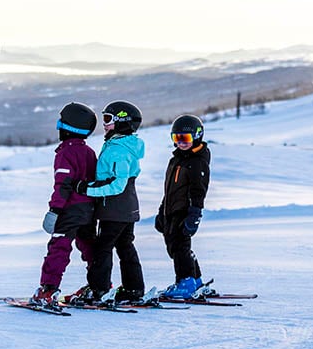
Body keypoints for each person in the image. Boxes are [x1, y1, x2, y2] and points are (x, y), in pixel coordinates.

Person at [69, 100, 146, 305]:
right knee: (125, 246)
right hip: (125, 208)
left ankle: (99, 289)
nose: (104, 124)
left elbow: (116, 184)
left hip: (115, 209)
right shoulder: (119, 145)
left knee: (102, 249)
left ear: (122, 122)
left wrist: (86, 188)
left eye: (108, 119)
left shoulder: (119, 150)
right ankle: (134, 288)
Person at [29, 102, 100, 307]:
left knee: (59, 246)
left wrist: (54, 210)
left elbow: (63, 185)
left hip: (69, 209)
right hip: (89, 209)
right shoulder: (89, 152)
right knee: (89, 246)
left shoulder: (66, 153)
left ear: (68, 127)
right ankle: (99, 286)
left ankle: (48, 290)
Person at [155, 114, 211, 299]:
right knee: (175, 248)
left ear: (197, 136)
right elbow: (169, 189)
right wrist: (161, 211)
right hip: (171, 210)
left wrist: (194, 214)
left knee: (180, 248)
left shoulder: (197, 162)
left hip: (184, 211)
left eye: (185, 138)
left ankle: (185, 281)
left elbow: (198, 191)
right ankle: (195, 280)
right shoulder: (177, 159)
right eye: (176, 138)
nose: (181, 143)